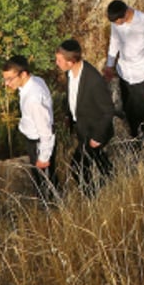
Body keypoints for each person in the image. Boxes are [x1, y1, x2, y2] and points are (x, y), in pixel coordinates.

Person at [56, 38, 115, 193]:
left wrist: (97, 136)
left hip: (95, 131)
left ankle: (92, 197)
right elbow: (73, 97)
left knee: (77, 168)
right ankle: (111, 184)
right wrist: (69, 116)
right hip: (82, 127)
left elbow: (108, 110)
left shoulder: (93, 80)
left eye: (59, 60)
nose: (57, 63)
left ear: (71, 61)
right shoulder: (70, 73)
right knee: (99, 160)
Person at [1, 55, 58, 204]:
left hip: (39, 143)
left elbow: (45, 129)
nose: (7, 84)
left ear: (23, 74)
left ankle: (52, 210)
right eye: (5, 79)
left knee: (45, 182)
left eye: (10, 79)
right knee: (43, 180)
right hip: (33, 139)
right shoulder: (33, 82)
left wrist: (44, 157)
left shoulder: (34, 98)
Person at [103, 0, 144, 141]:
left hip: (142, 74)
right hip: (124, 72)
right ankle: (132, 134)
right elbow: (114, 42)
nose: (116, 25)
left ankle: (140, 141)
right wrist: (109, 65)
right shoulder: (116, 22)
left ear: (125, 14)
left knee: (139, 111)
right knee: (127, 107)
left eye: (118, 22)